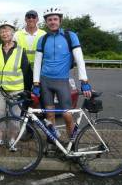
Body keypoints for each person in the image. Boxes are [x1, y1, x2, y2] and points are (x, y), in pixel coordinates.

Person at [33, 7, 92, 140]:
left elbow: (79, 58)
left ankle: (72, 143)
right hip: (45, 81)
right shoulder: (42, 39)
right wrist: (36, 83)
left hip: (62, 81)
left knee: (67, 114)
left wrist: (84, 81)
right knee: (49, 115)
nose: (52, 22)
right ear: (46, 22)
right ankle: (53, 141)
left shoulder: (70, 36)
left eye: (55, 19)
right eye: (49, 20)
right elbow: (37, 63)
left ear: (60, 20)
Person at [0, 23, 29, 152]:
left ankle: (13, 139)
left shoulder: (20, 50)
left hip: (15, 89)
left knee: (15, 117)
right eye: (2, 31)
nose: (4, 33)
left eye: (7, 31)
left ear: (12, 34)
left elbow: (25, 69)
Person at [14, 10, 46, 90]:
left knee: (41, 97)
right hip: (23, 72)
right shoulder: (17, 35)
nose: (31, 19)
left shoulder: (44, 34)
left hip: (40, 71)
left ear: (37, 19)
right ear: (25, 19)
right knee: (25, 97)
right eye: (28, 17)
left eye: (33, 17)